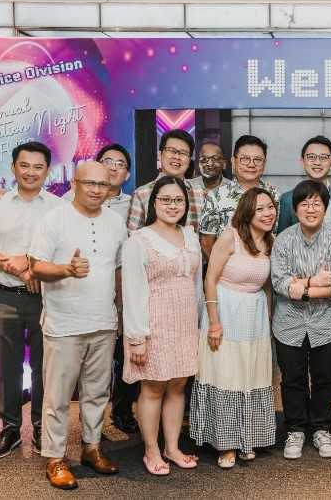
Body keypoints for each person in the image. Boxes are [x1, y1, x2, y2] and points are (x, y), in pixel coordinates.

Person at [27, 162, 127, 489]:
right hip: (64, 324)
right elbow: (36, 266)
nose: (97, 190)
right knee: (57, 396)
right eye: (89, 183)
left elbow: (118, 270)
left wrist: (120, 312)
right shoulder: (54, 219)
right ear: (74, 183)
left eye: (103, 184)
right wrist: (66, 270)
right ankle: (55, 458)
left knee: (97, 392)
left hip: (103, 322)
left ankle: (92, 448)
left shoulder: (115, 222)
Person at [0, 142, 61, 460]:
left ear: (48, 171)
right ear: (13, 168)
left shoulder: (58, 208)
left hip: (46, 300)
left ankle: (40, 426)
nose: (31, 172)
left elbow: (63, 250)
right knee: (7, 368)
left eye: (38, 167)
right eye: (24, 165)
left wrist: (32, 265)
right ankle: (10, 429)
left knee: (45, 367)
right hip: (5, 297)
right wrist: (14, 266)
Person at [121, 176, 202, 475]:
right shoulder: (139, 240)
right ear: (154, 202)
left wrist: (198, 325)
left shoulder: (190, 236)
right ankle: (151, 450)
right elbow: (132, 292)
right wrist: (136, 337)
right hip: (153, 325)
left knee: (178, 386)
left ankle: (172, 447)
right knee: (153, 387)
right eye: (166, 199)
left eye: (178, 200)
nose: (172, 205)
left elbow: (196, 285)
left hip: (185, 324)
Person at [190, 188, 277, 469]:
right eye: (260, 208)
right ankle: (225, 443)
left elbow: (267, 287)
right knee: (227, 374)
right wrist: (214, 322)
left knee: (251, 373)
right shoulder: (230, 236)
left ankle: (247, 438)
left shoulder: (271, 241)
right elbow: (210, 279)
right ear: (247, 212)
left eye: (270, 207)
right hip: (225, 311)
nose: (267, 213)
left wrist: (268, 318)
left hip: (255, 316)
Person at [272, 180, 331, 460]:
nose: (310, 208)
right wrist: (316, 283)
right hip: (289, 324)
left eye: (316, 203)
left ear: (325, 207)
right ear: (295, 209)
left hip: (326, 323)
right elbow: (280, 282)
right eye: (304, 203)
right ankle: (295, 429)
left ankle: (321, 428)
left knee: (325, 378)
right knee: (292, 379)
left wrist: (303, 288)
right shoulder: (284, 240)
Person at [66, 143, 139, 435]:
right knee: (84, 365)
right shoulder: (68, 201)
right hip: (77, 295)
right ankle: (85, 426)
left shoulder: (134, 204)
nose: (113, 167)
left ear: (127, 174)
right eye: (107, 161)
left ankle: (121, 410)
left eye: (120, 164)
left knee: (122, 356)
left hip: (120, 291)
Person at [199, 134, 280, 257]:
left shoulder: (274, 194)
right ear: (233, 161)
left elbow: (275, 235)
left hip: (265, 264)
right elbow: (206, 242)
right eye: (245, 159)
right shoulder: (216, 196)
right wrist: (223, 267)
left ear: (264, 163)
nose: (251, 164)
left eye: (257, 159)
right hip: (227, 266)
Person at [127, 129, 205, 232]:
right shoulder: (141, 194)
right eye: (172, 151)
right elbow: (133, 236)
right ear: (159, 155)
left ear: (189, 161)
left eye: (183, 153)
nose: (177, 157)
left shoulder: (200, 193)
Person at [276, 135, 331, 233]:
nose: (317, 162)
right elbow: (282, 237)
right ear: (302, 162)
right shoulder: (287, 199)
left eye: (323, 157)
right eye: (311, 157)